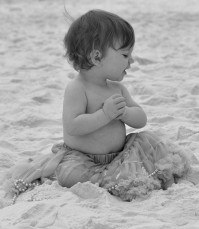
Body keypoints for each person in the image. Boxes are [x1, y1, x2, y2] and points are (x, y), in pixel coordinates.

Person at [5, 9, 199, 203]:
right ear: (97, 57)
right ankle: (108, 181)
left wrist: (125, 113)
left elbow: (141, 119)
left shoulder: (117, 89)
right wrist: (105, 115)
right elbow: (73, 126)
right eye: (125, 55)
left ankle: (117, 177)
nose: (131, 61)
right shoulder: (77, 88)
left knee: (149, 141)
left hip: (120, 155)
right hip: (81, 158)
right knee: (69, 173)